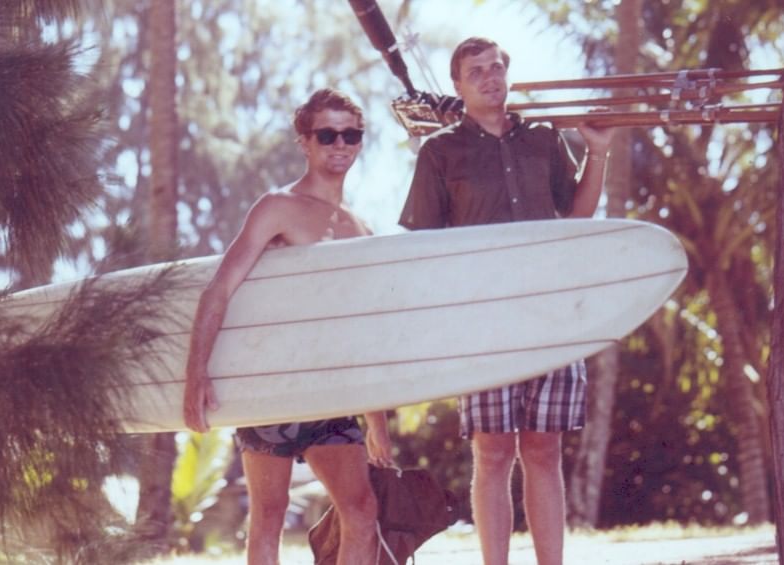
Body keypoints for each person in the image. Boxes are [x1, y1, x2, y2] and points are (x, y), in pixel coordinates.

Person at [398, 37, 616, 565]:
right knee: (492, 452)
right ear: (457, 85)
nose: (490, 76)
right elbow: (424, 246)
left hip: (550, 311)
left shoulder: (543, 138)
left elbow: (577, 215)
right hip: (483, 319)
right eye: (476, 71)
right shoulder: (439, 151)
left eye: (496, 67)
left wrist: (598, 150)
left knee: (544, 449)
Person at [183, 88, 393, 565]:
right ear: (305, 142)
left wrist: (376, 419)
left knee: (361, 511)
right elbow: (219, 290)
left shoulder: (360, 228)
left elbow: (362, 329)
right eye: (328, 134)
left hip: (333, 391)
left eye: (351, 134)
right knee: (269, 516)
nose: (340, 144)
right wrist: (197, 373)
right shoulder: (278, 207)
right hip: (274, 385)